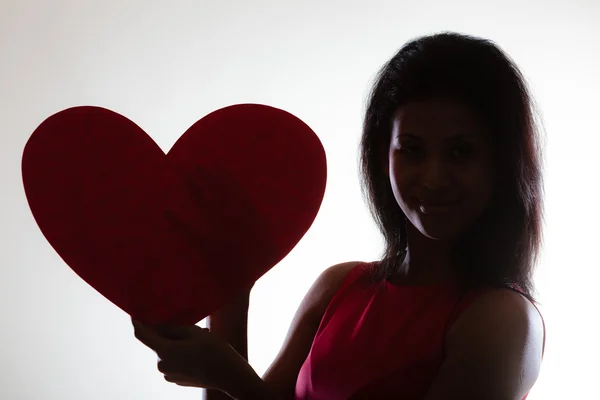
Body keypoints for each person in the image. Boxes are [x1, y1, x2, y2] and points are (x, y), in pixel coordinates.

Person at [132, 31, 546, 399]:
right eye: (413, 150)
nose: (434, 178)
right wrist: (228, 293)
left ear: (502, 163)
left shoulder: (503, 320)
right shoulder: (338, 288)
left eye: (460, 152)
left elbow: (243, 390)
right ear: (383, 155)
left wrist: (230, 376)